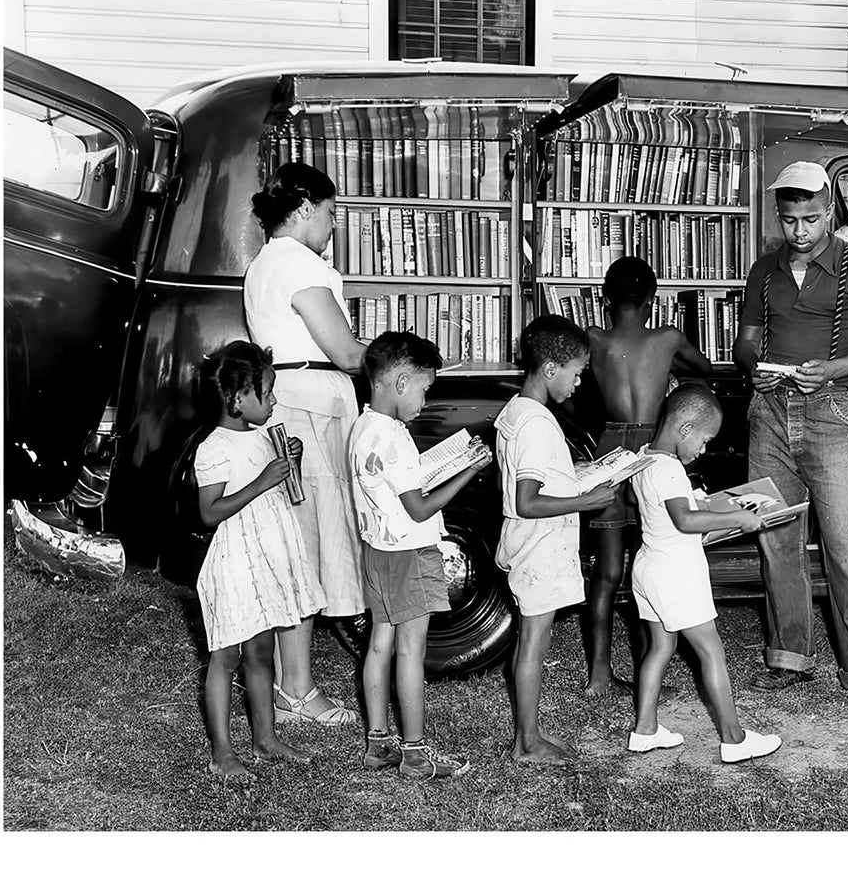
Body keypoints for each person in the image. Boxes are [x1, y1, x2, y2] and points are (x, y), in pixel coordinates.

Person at [732, 160, 848, 722]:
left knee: (846, 546)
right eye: (790, 220)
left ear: (830, 213)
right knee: (778, 542)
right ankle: (790, 659)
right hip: (768, 413)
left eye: (811, 219)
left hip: (830, 411)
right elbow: (745, 342)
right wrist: (752, 370)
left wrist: (833, 369)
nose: (800, 232)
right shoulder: (763, 271)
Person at [244, 162, 367, 727]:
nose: (334, 223)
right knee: (311, 548)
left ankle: (291, 684)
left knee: (299, 542)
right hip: (311, 408)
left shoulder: (264, 263)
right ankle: (296, 690)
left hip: (288, 400)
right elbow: (346, 353)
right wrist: (398, 355)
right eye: (329, 211)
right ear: (302, 210)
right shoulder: (299, 264)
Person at [349, 331, 490, 779]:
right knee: (412, 651)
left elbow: (398, 487)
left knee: (380, 644)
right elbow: (420, 506)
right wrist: (468, 469)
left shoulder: (365, 426)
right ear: (402, 380)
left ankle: (378, 745)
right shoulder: (392, 437)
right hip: (409, 554)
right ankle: (414, 753)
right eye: (426, 388)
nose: (426, 400)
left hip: (378, 551)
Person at [627, 383, 783, 764]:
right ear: (685, 428)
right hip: (677, 573)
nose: (703, 449)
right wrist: (737, 515)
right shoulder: (670, 469)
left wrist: (725, 519)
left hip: (650, 566)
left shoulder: (645, 458)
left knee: (660, 648)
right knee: (711, 651)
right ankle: (734, 738)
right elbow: (685, 519)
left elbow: (671, 519)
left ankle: (645, 730)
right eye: (704, 439)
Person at [187, 340, 320, 778]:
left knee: (261, 651)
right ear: (237, 398)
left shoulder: (264, 439)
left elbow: (282, 495)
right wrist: (263, 480)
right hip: (234, 563)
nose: (274, 400)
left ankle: (265, 738)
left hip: (266, 558)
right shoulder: (213, 447)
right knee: (226, 657)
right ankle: (222, 751)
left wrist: (288, 466)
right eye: (267, 392)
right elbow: (210, 512)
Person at [582, 256, 712, 697]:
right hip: (652, 449)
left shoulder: (594, 338)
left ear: (604, 299)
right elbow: (706, 370)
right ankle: (646, 668)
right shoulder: (668, 337)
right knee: (653, 556)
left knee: (608, 571)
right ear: (653, 301)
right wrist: (669, 368)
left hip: (611, 451)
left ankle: (599, 676)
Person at [494, 315, 617, 764]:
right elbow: (527, 500)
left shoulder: (517, 411)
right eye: (577, 372)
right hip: (538, 547)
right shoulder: (536, 423)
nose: (580, 382)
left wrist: (580, 480)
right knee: (534, 644)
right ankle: (527, 743)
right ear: (550, 369)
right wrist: (587, 501)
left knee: (532, 641)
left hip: (531, 543)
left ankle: (530, 733)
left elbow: (538, 482)